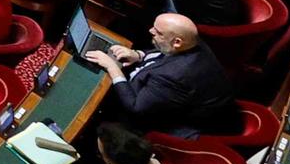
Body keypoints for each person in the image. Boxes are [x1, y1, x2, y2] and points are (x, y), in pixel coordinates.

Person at [84, 13, 236, 136]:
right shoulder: (192, 43)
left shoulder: (174, 76)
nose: (151, 30)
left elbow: (135, 107)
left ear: (177, 41)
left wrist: (113, 68)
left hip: (162, 122)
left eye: (158, 32)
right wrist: (138, 55)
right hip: (167, 91)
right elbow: (166, 50)